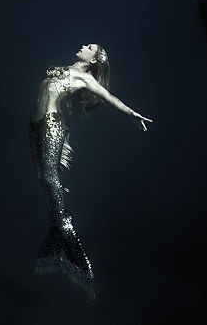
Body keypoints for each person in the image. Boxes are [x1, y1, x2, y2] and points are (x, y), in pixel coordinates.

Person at [29, 43, 151, 299]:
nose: (83, 46)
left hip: (51, 124)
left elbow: (109, 97)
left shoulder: (84, 77)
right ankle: (58, 239)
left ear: (96, 59)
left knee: (51, 180)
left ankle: (73, 252)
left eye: (90, 47)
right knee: (44, 179)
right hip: (35, 126)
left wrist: (131, 113)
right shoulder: (66, 67)